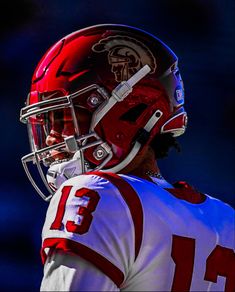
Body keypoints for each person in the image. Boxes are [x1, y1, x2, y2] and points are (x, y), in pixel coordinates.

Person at [20, 24, 235, 291]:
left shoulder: (94, 194)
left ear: (129, 112)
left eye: (65, 118)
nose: (52, 138)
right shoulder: (227, 220)